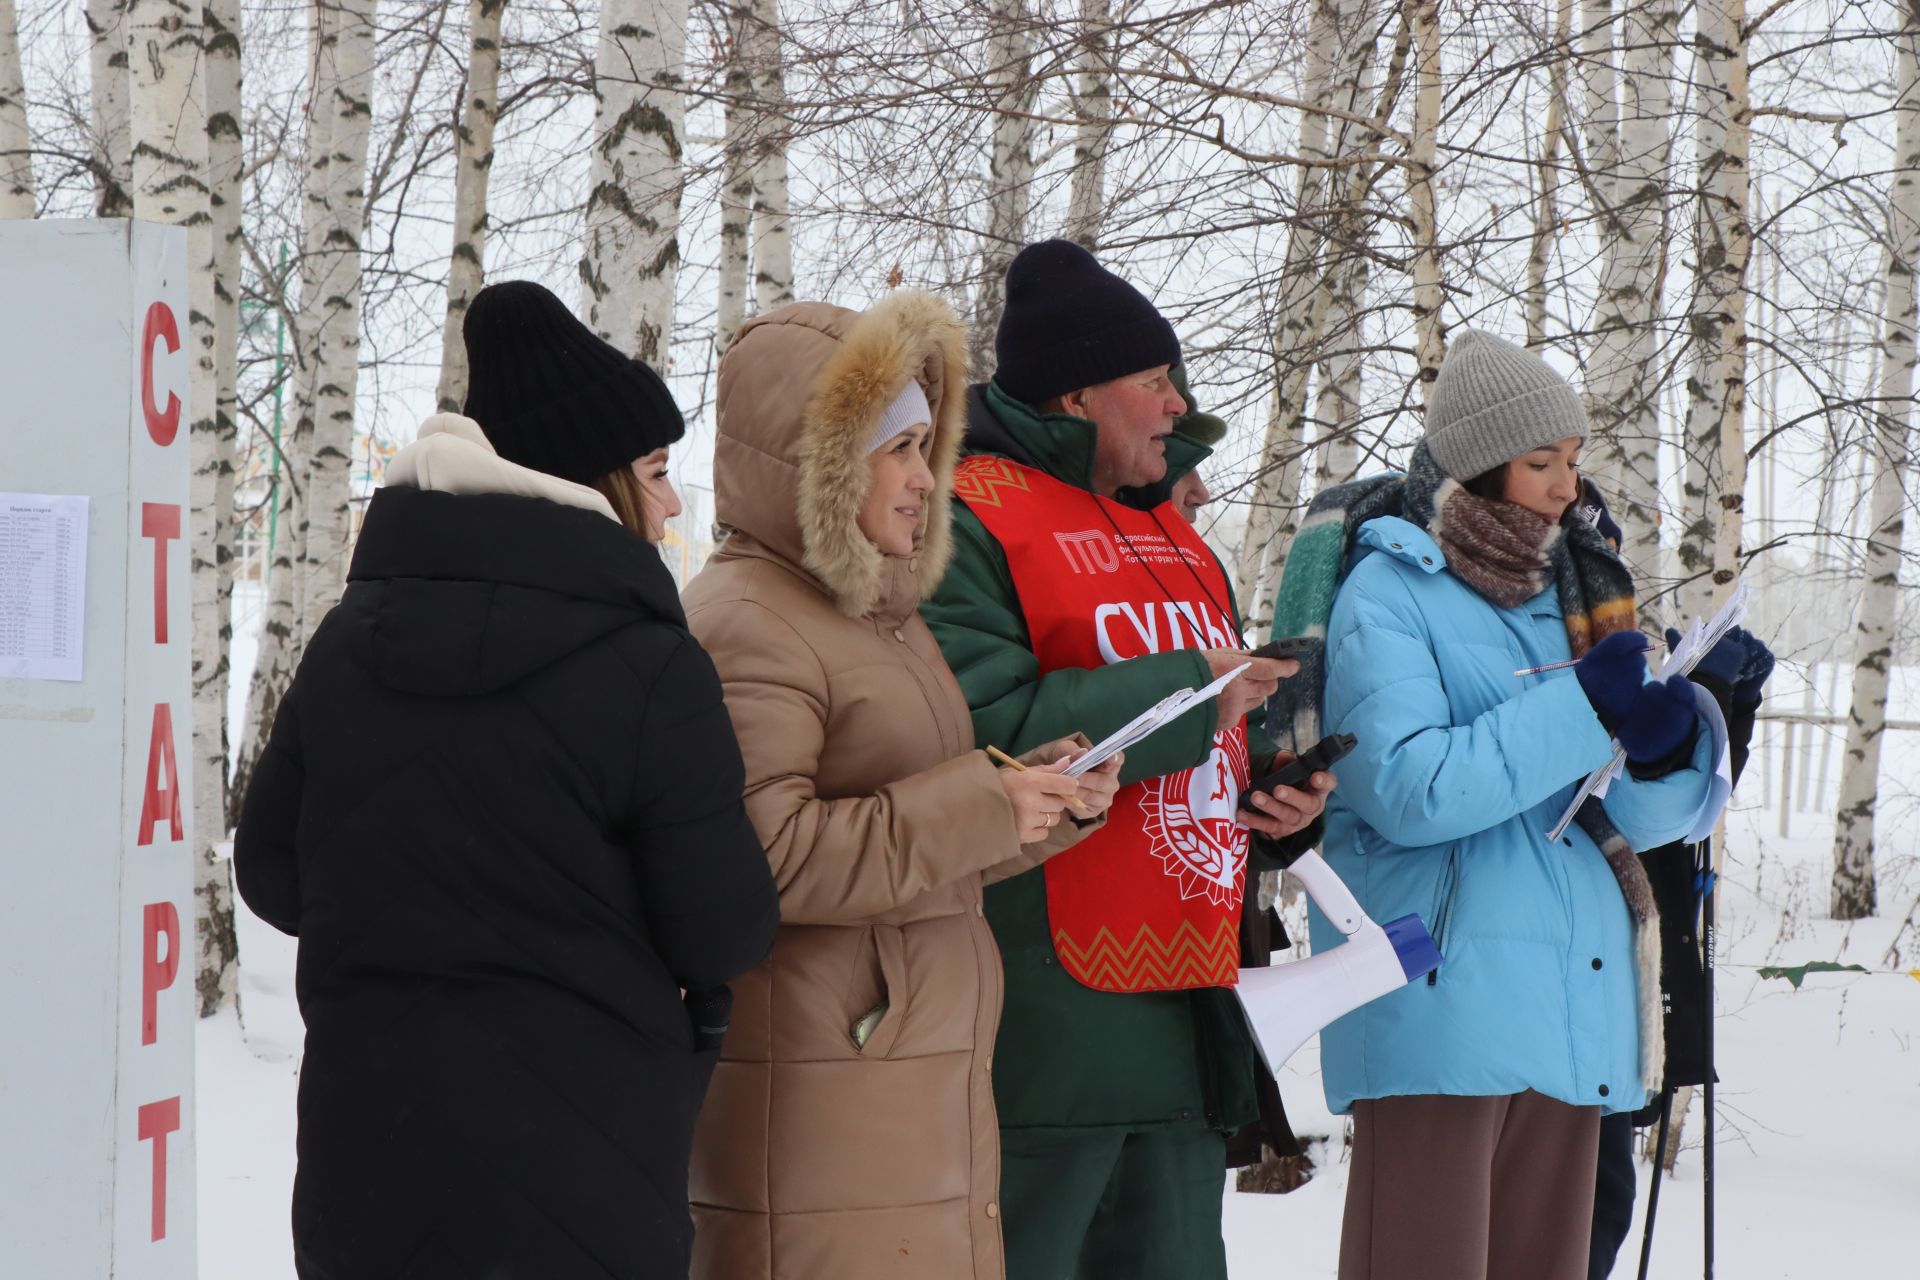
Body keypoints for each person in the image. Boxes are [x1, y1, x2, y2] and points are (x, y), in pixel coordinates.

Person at [232, 280, 779, 1279]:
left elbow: (271, 873)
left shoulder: (352, 639)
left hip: (372, 1159)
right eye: (655, 471)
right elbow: (723, 928)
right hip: (586, 1172)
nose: (667, 501)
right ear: (591, 478)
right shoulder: (651, 666)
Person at [681, 290, 1125, 1280]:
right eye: (900, 449)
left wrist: (1036, 800)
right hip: (820, 1094)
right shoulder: (748, 617)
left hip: (900, 1085)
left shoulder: (876, 614)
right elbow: (765, 855)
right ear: (820, 457)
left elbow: (917, 832)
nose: (929, 480)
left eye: (932, 445)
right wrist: (983, 802)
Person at [1265, 328, 1724, 1280]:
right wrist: (1583, 707)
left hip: (1569, 1006)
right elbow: (1407, 789)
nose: (1567, 486)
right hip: (1444, 1004)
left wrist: (1668, 753)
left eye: (1573, 460)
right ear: (1477, 466)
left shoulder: (1577, 591)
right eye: (1541, 462)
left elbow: (1623, 827)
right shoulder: (1390, 590)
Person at [921, 239, 1335, 1279]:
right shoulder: (971, 513)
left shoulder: (1179, 536)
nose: (1175, 405)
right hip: (1048, 1027)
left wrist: (1268, 805)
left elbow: (1206, 735)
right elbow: (984, 727)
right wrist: (1188, 696)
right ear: (1075, 394)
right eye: (1151, 381)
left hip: (1191, 1007)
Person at [1587, 625, 1773, 1278]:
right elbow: (1641, 803)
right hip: (1586, 984)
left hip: (1625, 982)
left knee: (1604, 1205)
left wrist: (1731, 702)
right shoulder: (1566, 666)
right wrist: (1711, 692)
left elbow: (1694, 806)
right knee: (1585, 1210)